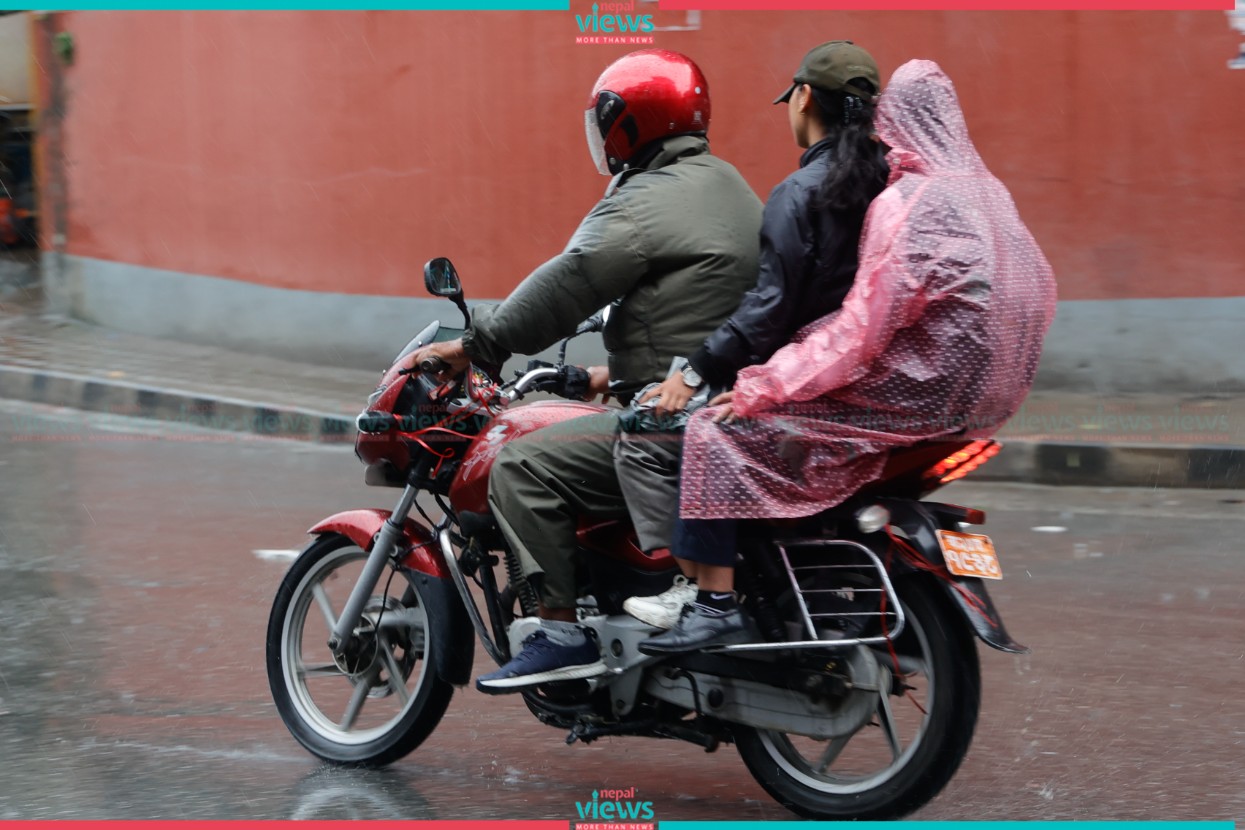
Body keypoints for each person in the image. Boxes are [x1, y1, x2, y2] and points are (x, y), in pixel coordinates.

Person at [638, 58, 1059, 654]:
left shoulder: (908, 201)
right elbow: (1040, 288)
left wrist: (763, 385)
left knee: (714, 432)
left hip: (912, 393)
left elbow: (859, 332)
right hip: (988, 399)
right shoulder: (988, 194)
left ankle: (713, 604)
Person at [410, 50, 763, 689]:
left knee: (521, 463)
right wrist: (602, 377)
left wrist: (474, 345)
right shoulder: (730, 186)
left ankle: (560, 632)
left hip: (678, 418)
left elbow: (568, 284)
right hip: (725, 402)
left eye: (606, 121)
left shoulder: (644, 200)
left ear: (628, 123)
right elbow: (691, 314)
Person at [615, 40, 889, 633]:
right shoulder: (894, 185)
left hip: (804, 389)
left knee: (648, 435)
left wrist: (693, 372)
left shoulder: (801, 193)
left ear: (804, 98)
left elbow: (769, 309)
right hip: (872, 391)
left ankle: (701, 594)